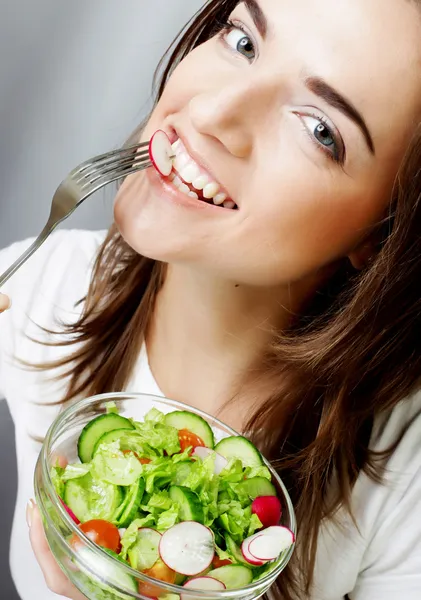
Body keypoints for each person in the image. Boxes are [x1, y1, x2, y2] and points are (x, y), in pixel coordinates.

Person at [1, 0, 421, 598]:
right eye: (243, 42)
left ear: (382, 233)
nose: (211, 111)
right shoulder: (42, 287)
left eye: (320, 130)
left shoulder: (406, 469)